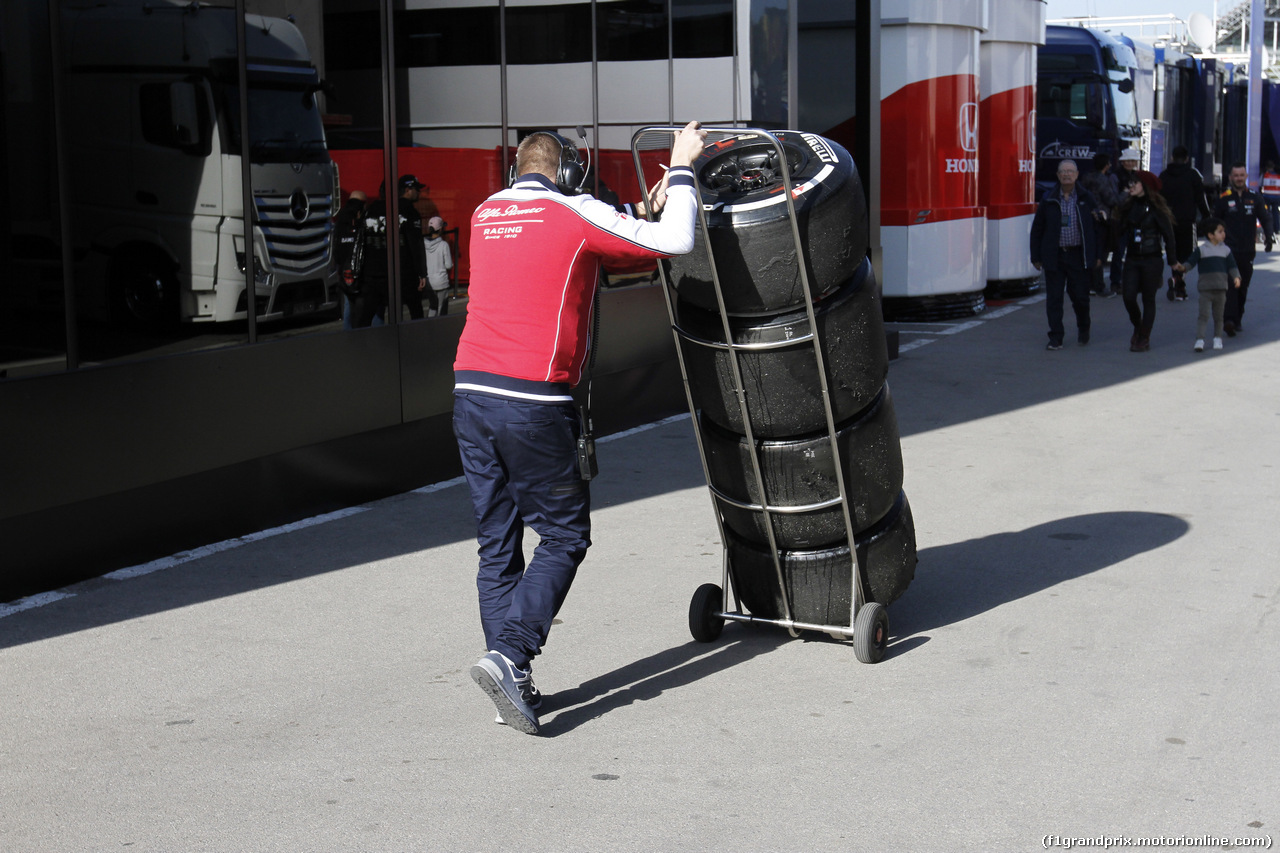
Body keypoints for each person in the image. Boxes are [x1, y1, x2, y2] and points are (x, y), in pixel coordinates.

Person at [454, 121, 708, 735]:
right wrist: (680, 167)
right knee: (565, 537)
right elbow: (673, 240)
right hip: (533, 400)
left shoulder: (486, 213)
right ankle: (512, 655)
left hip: (470, 393)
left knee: (498, 542)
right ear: (567, 172)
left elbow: (610, 223)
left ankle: (507, 679)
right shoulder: (573, 212)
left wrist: (635, 208)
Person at [1030, 159, 1099, 350]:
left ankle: (1084, 327)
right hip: (1055, 255)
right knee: (1054, 299)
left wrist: (1098, 254)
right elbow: (1037, 229)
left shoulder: (1086, 197)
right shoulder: (1049, 199)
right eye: (1063, 172)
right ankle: (1056, 337)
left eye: (1070, 171)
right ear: (1058, 176)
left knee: (1080, 297)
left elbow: (1097, 228)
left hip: (1078, 255)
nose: (1066, 174)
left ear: (1077, 175)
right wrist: (1035, 256)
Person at [1113, 170, 1178, 352]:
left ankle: (1144, 336)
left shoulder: (1157, 209)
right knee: (1128, 297)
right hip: (1132, 259)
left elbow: (1169, 236)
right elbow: (1118, 232)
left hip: (1152, 259)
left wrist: (1172, 261)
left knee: (1149, 299)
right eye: (1130, 183)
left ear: (1145, 186)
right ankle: (1138, 325)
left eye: (1135, 183)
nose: (1131, 186)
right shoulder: (1127, 206)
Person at [353, 175, 429, 327]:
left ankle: (360, 345)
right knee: (416, 312)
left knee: (366, 315)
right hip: (402, 271)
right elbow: (415, 244)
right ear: (407, 190)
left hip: (373, 272)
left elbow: (361, 241)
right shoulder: (408, 211)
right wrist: (421, 272)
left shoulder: (371, 210)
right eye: (416, 189)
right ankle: (418, 344)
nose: (419, 193)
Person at [1214, 161, 1274, 336]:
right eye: (1236, 176)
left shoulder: (1255, 197)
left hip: (1248, 250)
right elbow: (1214, 222)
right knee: (1231, 285)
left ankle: (1237, 317)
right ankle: (1229, 320)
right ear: (1231, 177)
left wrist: (1269, 237)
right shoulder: (1224, 198)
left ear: (1246, 177)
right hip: (1227, 250)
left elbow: (1266, 218)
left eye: (1242, 175)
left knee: (1243, 286)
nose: (1239, 179)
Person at [1179, 216, 1241, 353]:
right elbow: (1191, 262)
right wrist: (1183, 268)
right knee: (1204, 315)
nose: (1223, 234)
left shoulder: (1226, 250)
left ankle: (1217, 338)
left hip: (1221, 288)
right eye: (1220, 231)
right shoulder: (1202, 250)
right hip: (1205, 289)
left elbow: (1232, 266)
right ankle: (1200, 339)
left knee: (1219, 316)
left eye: (1223, 231)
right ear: (1210, 235)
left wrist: (1236, 277)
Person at [1159, 145, 1211, 302]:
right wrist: (1208, 216)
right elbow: (1201, 199)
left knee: (1173, 253)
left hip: (1168, 221)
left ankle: (1177, 283)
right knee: (1188, 255)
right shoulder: (1192, 175)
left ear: (1172, 158)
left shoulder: (1164, 176)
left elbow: (1158, 199)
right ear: (1187, 159)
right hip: (1188, 221)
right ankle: (1178, 282)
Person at [1079, 153, 1120, 297]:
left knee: (1089, 250)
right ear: (1106, 165)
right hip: (1101, 217)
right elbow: (1111, 199)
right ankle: (1099, 285)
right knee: (1101, 253)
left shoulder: (1085, 177)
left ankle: (1088, 284)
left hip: (1086, 215)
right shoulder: (1103, 180)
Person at [1108, 147, 1143, 296]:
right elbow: (1114, 199)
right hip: (1120, 220)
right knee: (1118, 252)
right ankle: (1115, 283)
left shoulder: (1137, 176)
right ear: (1122, 162)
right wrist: (1126, 193)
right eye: (1127, 160)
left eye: (1132, 160)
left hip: (1135, 219)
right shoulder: (1115, 177)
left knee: (1135, 253)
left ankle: (1130, 282)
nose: (1130, 163)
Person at [333, 189, 368, 330]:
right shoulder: (361, 219)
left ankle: (348, 336)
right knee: (363, 307)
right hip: (360, 270)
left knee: (348, 305)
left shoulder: (340, 218)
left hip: (344, 270)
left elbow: (336, 245)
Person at [423, 215, 453, 316]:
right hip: (441, 281)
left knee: (432, 306)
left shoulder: (423, 244)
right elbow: (448, 265)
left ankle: (430, 327)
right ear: (440, 230)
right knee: (442, 308)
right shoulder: (443, 245)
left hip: (429, 282)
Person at [1261, 160, 1280, 233]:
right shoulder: (1278, 175)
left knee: (1267, 213)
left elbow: (1260, 184)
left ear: (1267, 167)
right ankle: (1276, 229)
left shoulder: (1265, 175)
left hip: (1267, 197)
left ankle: (1268, 228)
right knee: (1276, 213)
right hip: (1277, 197)